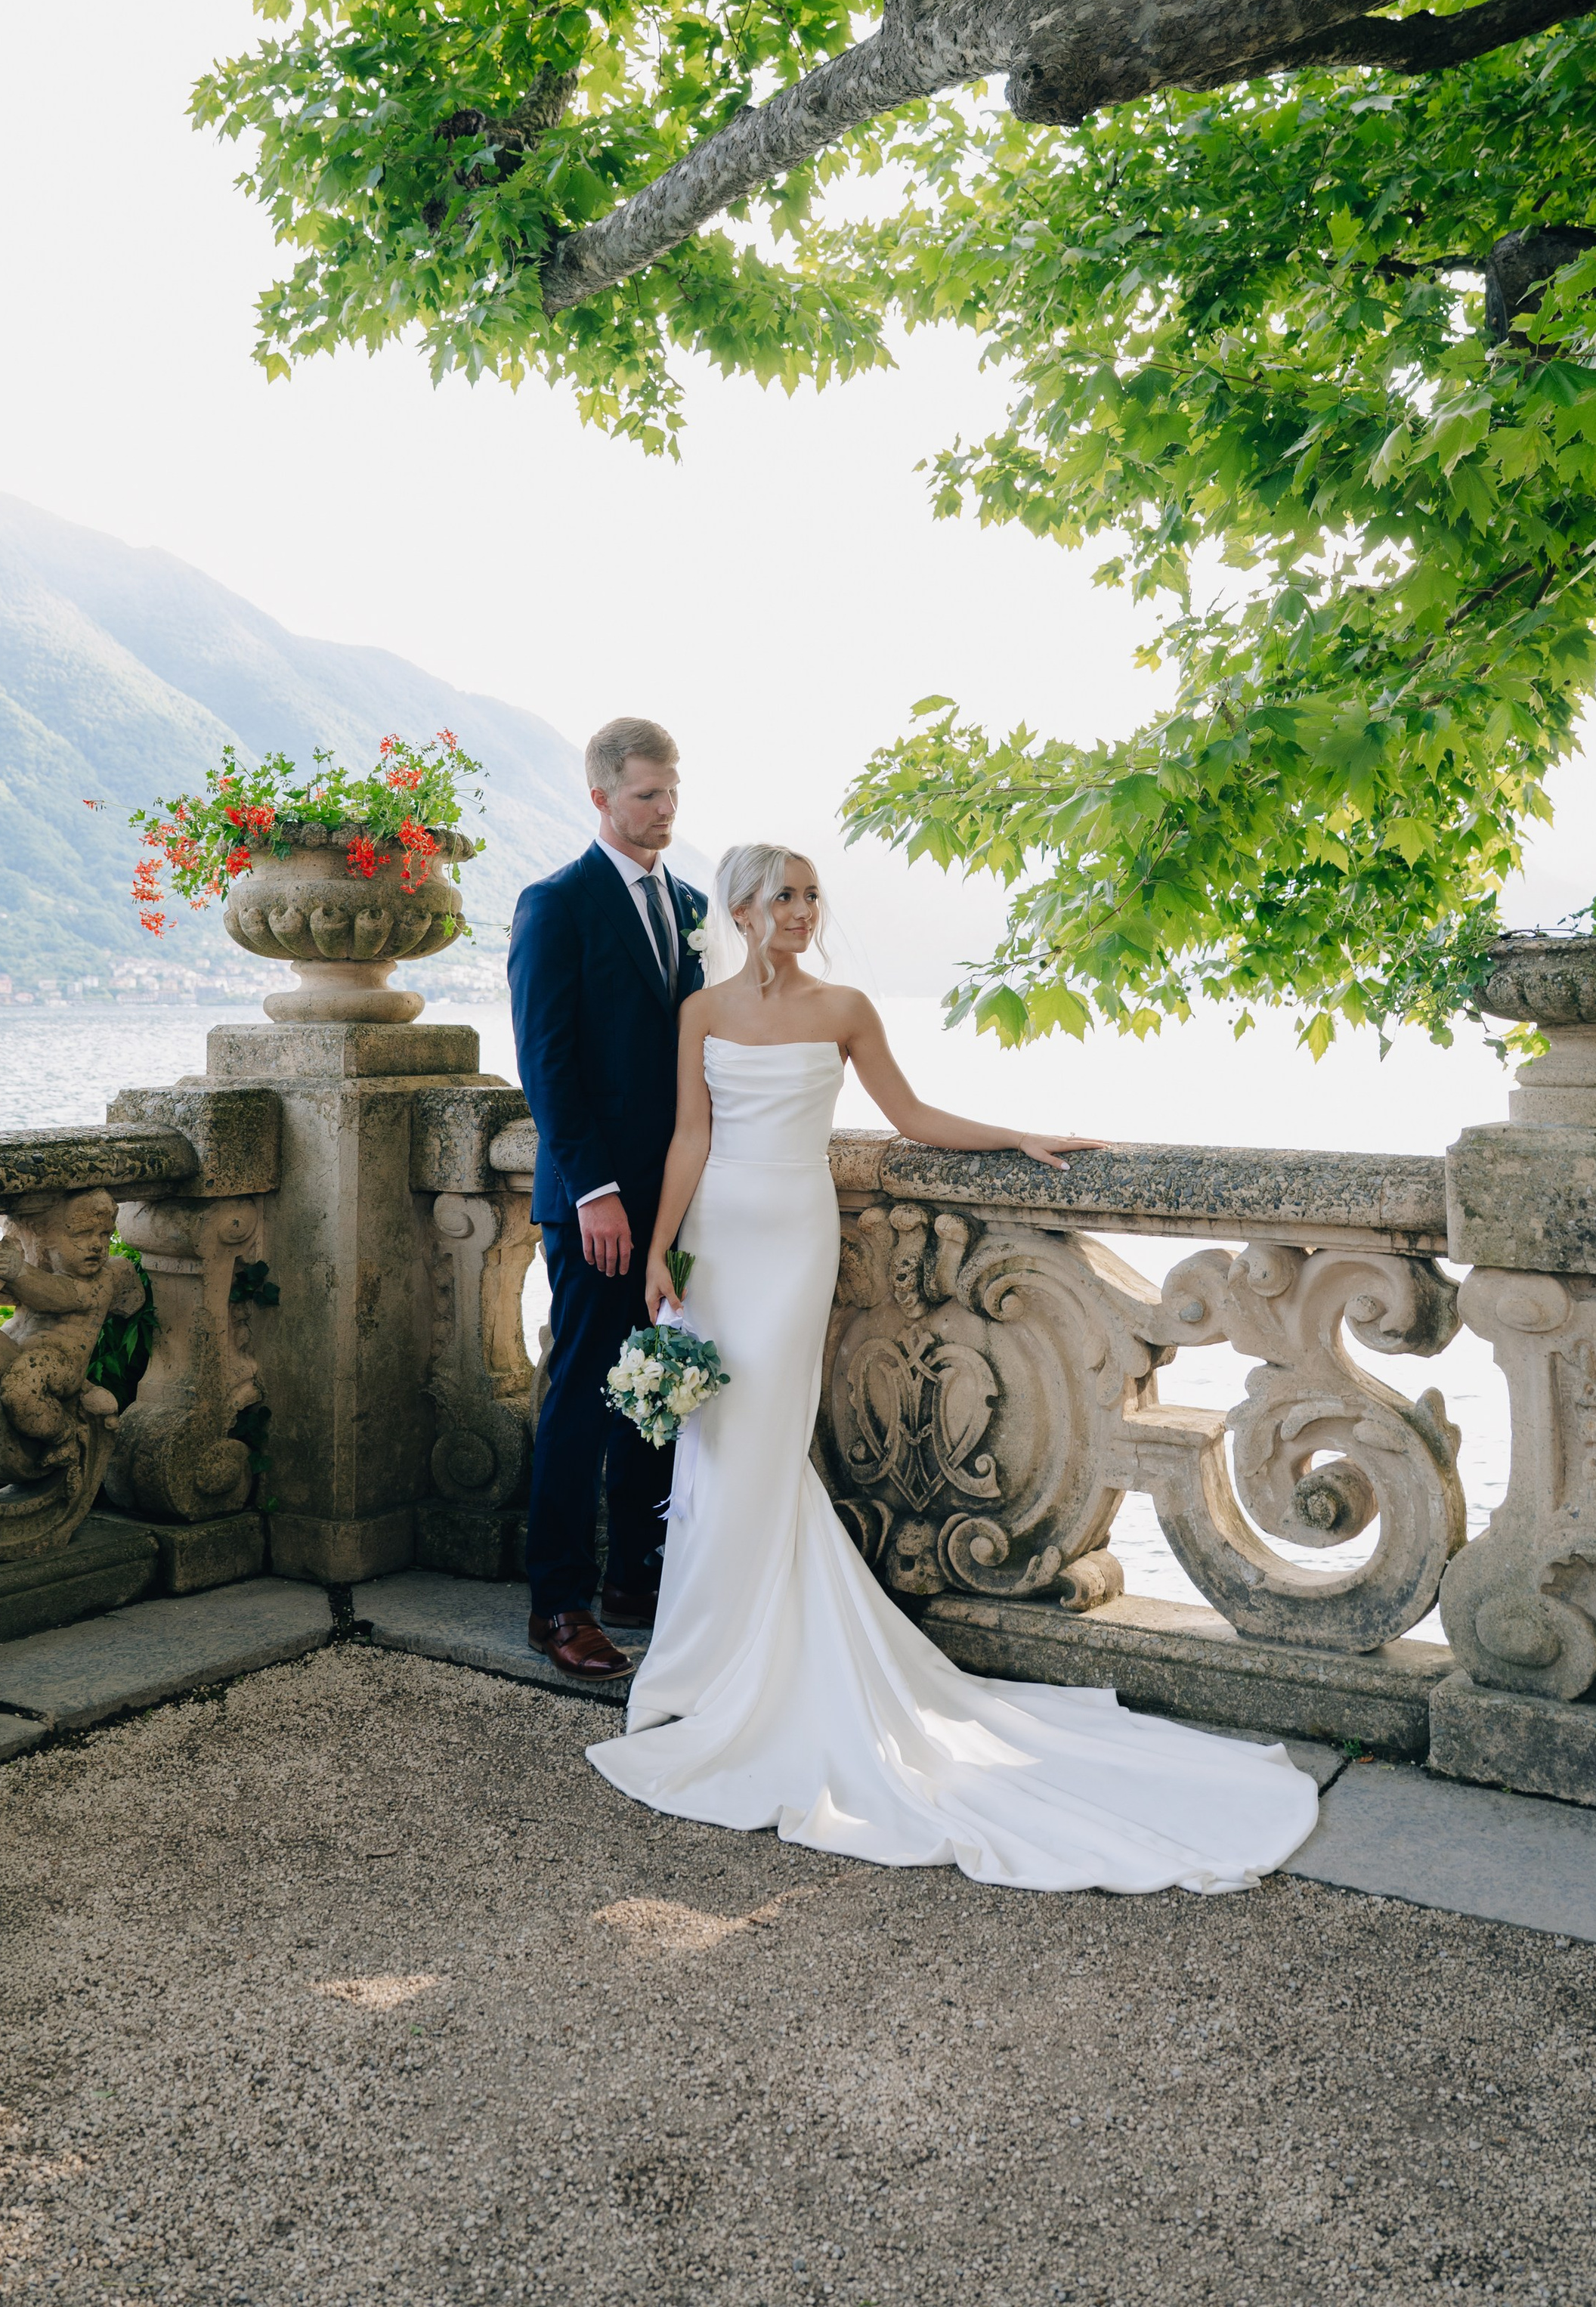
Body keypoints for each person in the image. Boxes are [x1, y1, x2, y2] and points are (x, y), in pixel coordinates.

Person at [586, 844, 1320, 1893]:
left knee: (763, 1439)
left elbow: (910, 1119)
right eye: (782, 897)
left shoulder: (843, 1009)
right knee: (715, 1441)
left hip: (794, 1239)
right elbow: (690, 1138)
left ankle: (749, 1667)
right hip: (719, 1230)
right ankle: (703, 1664)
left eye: (809, 896)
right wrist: (662, 1249)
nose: (802, 910)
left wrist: (1019, 1138)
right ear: (742, 909)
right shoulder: (700, 1016)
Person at [507, 717, 708, 1683]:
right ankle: (558, 1603)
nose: (664, 811)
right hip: (595, 1204)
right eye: (644, 796)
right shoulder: (556, 904)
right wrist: (593, 1189)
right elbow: (547, 1062)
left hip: (676, 1198)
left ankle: (635, 1572)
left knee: (658, 1389)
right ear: (599, 797)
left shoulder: (696, 904)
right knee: (583, 1396)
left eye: (671, 792)